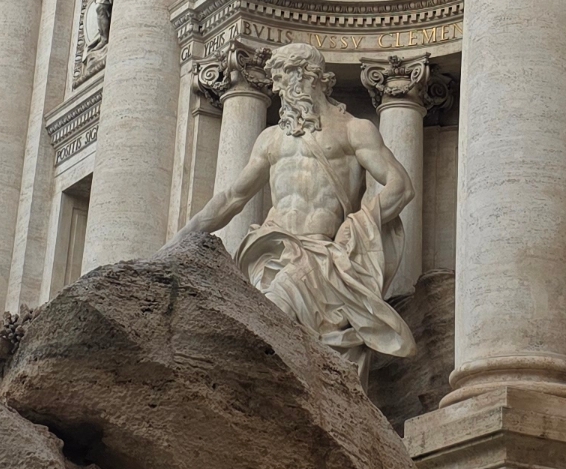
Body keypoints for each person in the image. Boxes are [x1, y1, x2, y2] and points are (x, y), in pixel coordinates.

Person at [171, 41, 415, 383]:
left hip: (319, 256)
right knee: (264, 326)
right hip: (270, 254)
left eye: (282, 76)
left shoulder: (353, 129)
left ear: (308, 76)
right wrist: (177, 243)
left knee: (270, 319)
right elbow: (231, 198)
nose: (275, 87)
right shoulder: (270, 139)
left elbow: (400, 186)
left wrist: (358, 226)